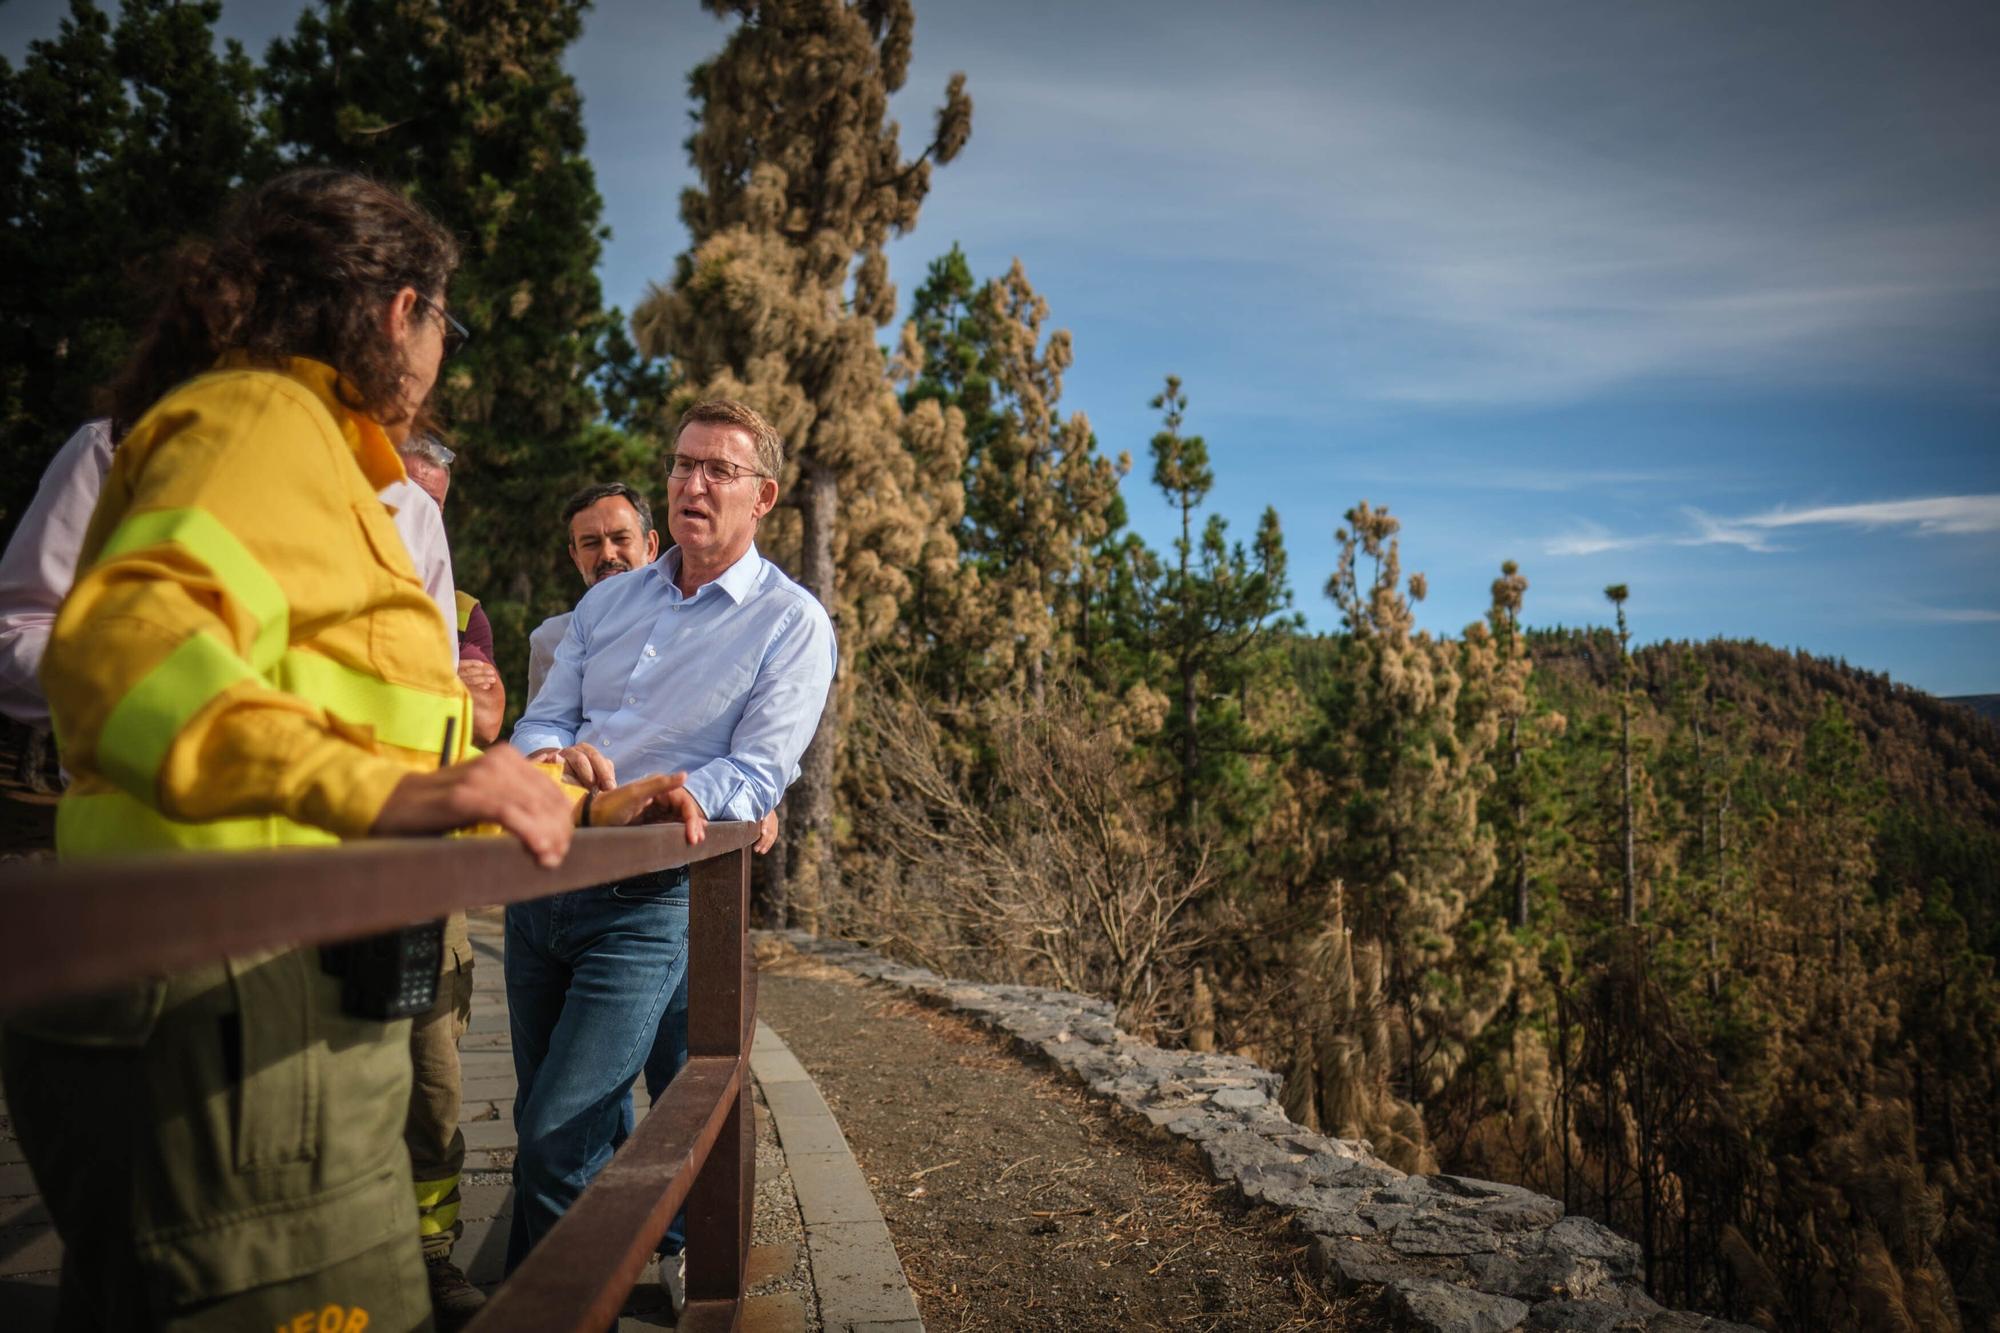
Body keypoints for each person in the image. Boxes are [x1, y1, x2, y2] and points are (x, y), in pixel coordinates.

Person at [0, 168, 699, 1333]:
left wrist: (572, 807)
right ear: (397, 312)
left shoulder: (333, 471)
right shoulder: (259, 421)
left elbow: (385, 747)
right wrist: (376, 788)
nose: (444, 358)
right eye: (448, 324)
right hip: (229, 1018)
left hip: (270, 1009)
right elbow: (119, 646)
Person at [506, 400, 835, 1307]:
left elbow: (762, 768)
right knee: (557, 1120)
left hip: (650, 894)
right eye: (683, 465)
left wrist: (687, 790)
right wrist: (546, 754)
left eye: (717, 470)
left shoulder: (790, 621)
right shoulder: (607, 601)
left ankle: (563, 1305)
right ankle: (569, 1286)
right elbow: (546, 716)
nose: (693, 483)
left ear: (763, 495)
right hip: (541, 882)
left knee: (554, 1141)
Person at [396, 433, 504, 745]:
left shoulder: (464, 612)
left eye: (432, 504)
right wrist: (446, 678)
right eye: (407, 493)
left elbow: (484, 721)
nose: (417, 510)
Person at [525, 481, 660, 702]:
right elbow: (540, 726)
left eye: (621, 539)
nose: (607, 554)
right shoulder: (550, 641)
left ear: (651, 547)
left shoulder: (687, 626)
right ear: (576, 557)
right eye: (591, 543)